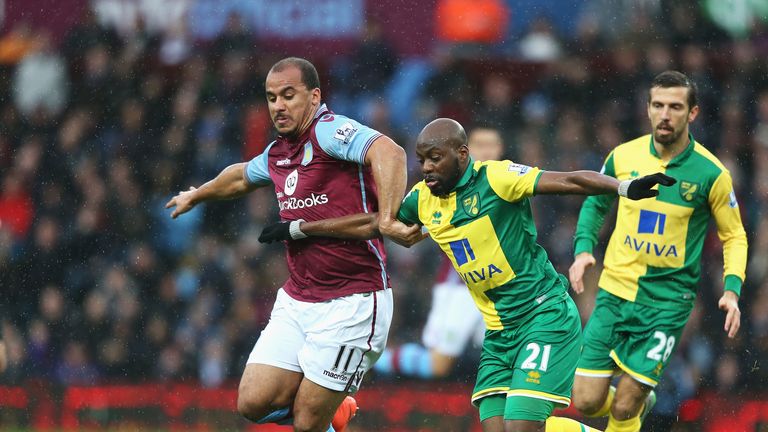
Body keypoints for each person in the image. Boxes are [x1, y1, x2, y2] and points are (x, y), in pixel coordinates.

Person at [259, 118, 676, 432]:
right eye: (421, 159)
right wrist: (301, 229)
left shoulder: (497, 178)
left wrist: (622, 188)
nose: (425, 168)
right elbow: (375, 223)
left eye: (434, 158)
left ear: (462, 155)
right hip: (498, 331)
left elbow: (566, 179)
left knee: (521, 426)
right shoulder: (423, 199)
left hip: (543, 316)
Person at [166, 57, 420, 432]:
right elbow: (240, 177)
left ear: (314, 97)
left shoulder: (329, 132)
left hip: (353, 302)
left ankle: (325, 410)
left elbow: (390, 152)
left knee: (307, 424)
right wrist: (197, 194)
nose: (278, 106)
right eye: (271, 98)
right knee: (252, 402)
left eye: (288, 95)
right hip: (299, 299)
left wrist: (387, 217)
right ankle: (332, 408)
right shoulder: (278, 153)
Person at [568, 71, 748, 432]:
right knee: (586, 401)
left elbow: (734, 235)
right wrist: (584, 249)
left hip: (666, 304)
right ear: (648, 109)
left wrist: (732, 289)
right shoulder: (623, 157)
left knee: (624, 406)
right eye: (658, 105)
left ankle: (636, 404)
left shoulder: (711, 173)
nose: (665, 114)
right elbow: (595, 204)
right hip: (615, 292)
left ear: (692, 113)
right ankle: (638, 406)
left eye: (676, 107)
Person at [374, 127, 502, 380]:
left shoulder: (506, 181)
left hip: (498, 286)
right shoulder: (442, 184)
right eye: (480, 145)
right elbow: (400, 221)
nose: (487, 151)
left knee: (504, 357)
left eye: (493, 145)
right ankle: (371, 362)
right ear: (464, 151)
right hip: (460, 287)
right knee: (438, 365)